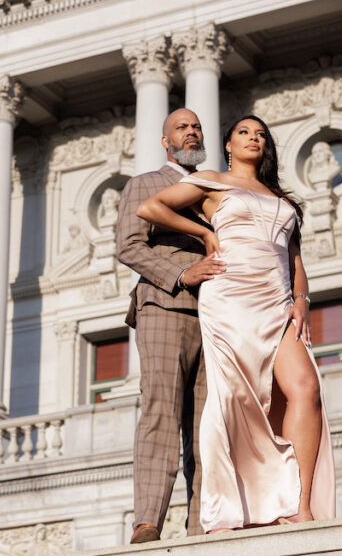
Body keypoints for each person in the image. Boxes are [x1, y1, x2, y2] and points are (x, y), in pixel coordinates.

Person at [136, 114, 335, 533]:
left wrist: (301, 300)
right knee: (232, 398)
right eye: (244, 132)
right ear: (228, 144)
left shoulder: (281, 197)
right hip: (230, 296)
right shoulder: (210, 180)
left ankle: (299, 504)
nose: (254, 138)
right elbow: (150, 207)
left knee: (306, 388)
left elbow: (294, 258)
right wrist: (204, 234)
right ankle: (226, 509)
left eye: (261, 134)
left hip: (277, 301)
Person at [115, 108, 227, 543]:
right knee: (160, 410)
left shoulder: (215, 189)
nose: (192, 132)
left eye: (196, 127)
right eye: (182, 127)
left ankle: (203, 524)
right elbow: (128, 245)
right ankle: (148, 522)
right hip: (165, 303)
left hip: (216, 316)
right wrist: (182, 274)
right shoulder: (143, 184)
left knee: (208, 424)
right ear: (166, 141)